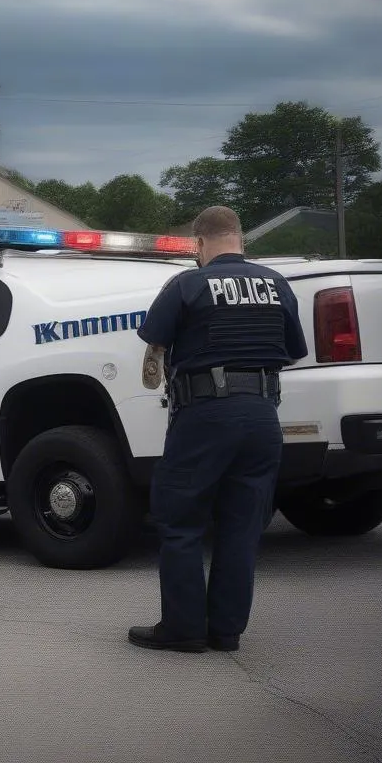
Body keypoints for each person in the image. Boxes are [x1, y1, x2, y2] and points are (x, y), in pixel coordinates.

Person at [129, 206, 308, 654]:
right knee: (242, 524)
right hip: (263, 415)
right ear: (240, 239)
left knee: (180, 519)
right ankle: (226, 631)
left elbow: (154, 339)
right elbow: (294, 350)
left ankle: (184, 628)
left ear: (199, 244)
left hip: (206, 413)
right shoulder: (277, 283)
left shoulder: (188, 284)